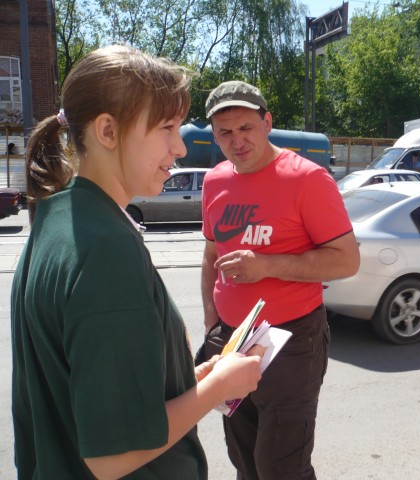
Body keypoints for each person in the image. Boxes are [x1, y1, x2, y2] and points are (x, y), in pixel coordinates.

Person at [11, 45, 263, 480]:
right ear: (108, 131)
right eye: (166, 128)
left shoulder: (61, 218)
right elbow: (113, 456)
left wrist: (195, 378)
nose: (179, 147)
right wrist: (220, 388)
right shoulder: (105, 251)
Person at [198, 80, 360, 480]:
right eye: (225, 132)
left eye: (246, 128)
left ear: (267, 123)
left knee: (281, 467)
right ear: (214, 135)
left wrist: (267, 266)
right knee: (243, 457)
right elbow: (210, 256)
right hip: (232, 338)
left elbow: (347, 261)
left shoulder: (307, 179)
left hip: (292, 338)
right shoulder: (215, 181)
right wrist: (212, 320)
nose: (237, 141)